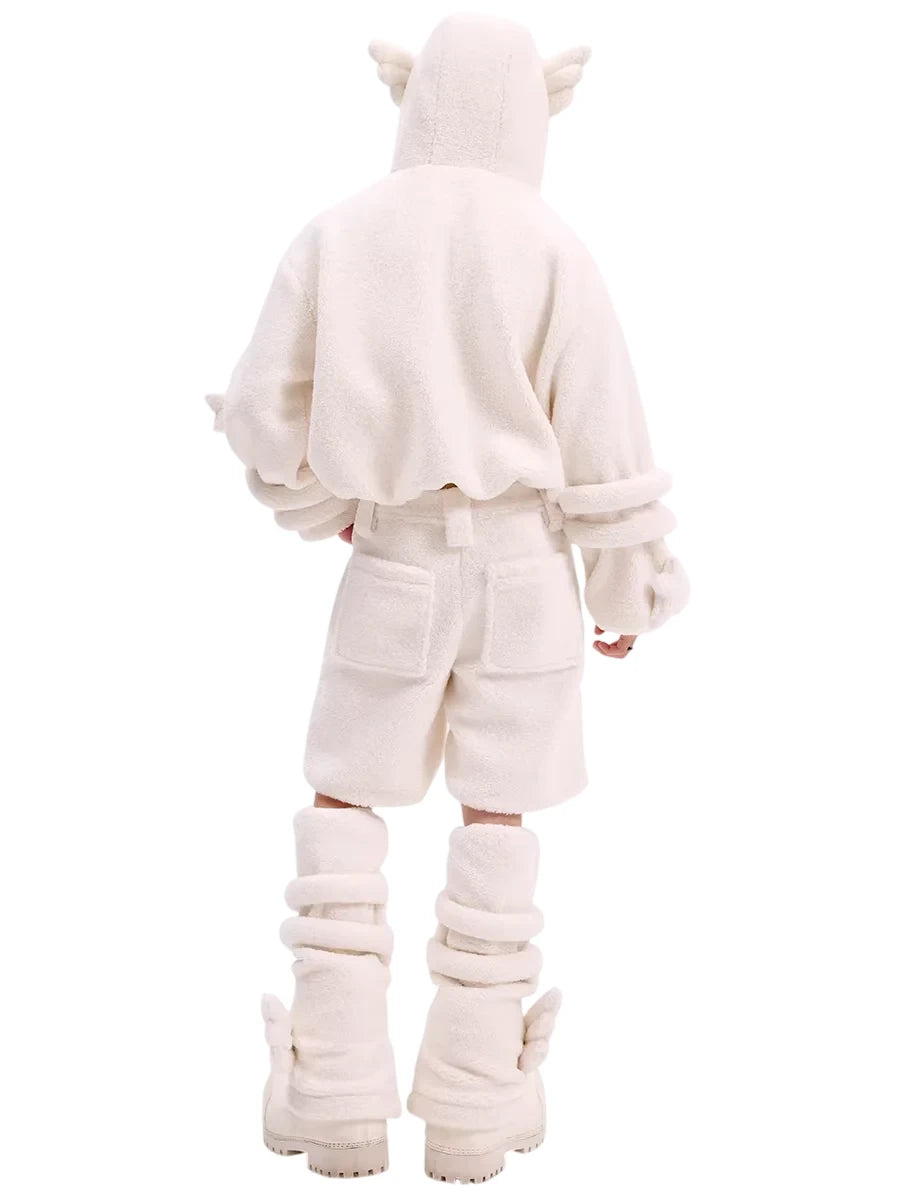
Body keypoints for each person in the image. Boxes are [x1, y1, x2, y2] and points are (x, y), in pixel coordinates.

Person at [208, 14, 688, 1183]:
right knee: (497, 811)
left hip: (396, 558)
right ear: (535, 108)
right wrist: (626, 583)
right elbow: (606, 437)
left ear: (412, 98)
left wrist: (329, 505)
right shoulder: (551, 245)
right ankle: (475, 1100)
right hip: (527, 571)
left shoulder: (340, 232)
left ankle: (333, 1085)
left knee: (343, 795)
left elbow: (263, 414)